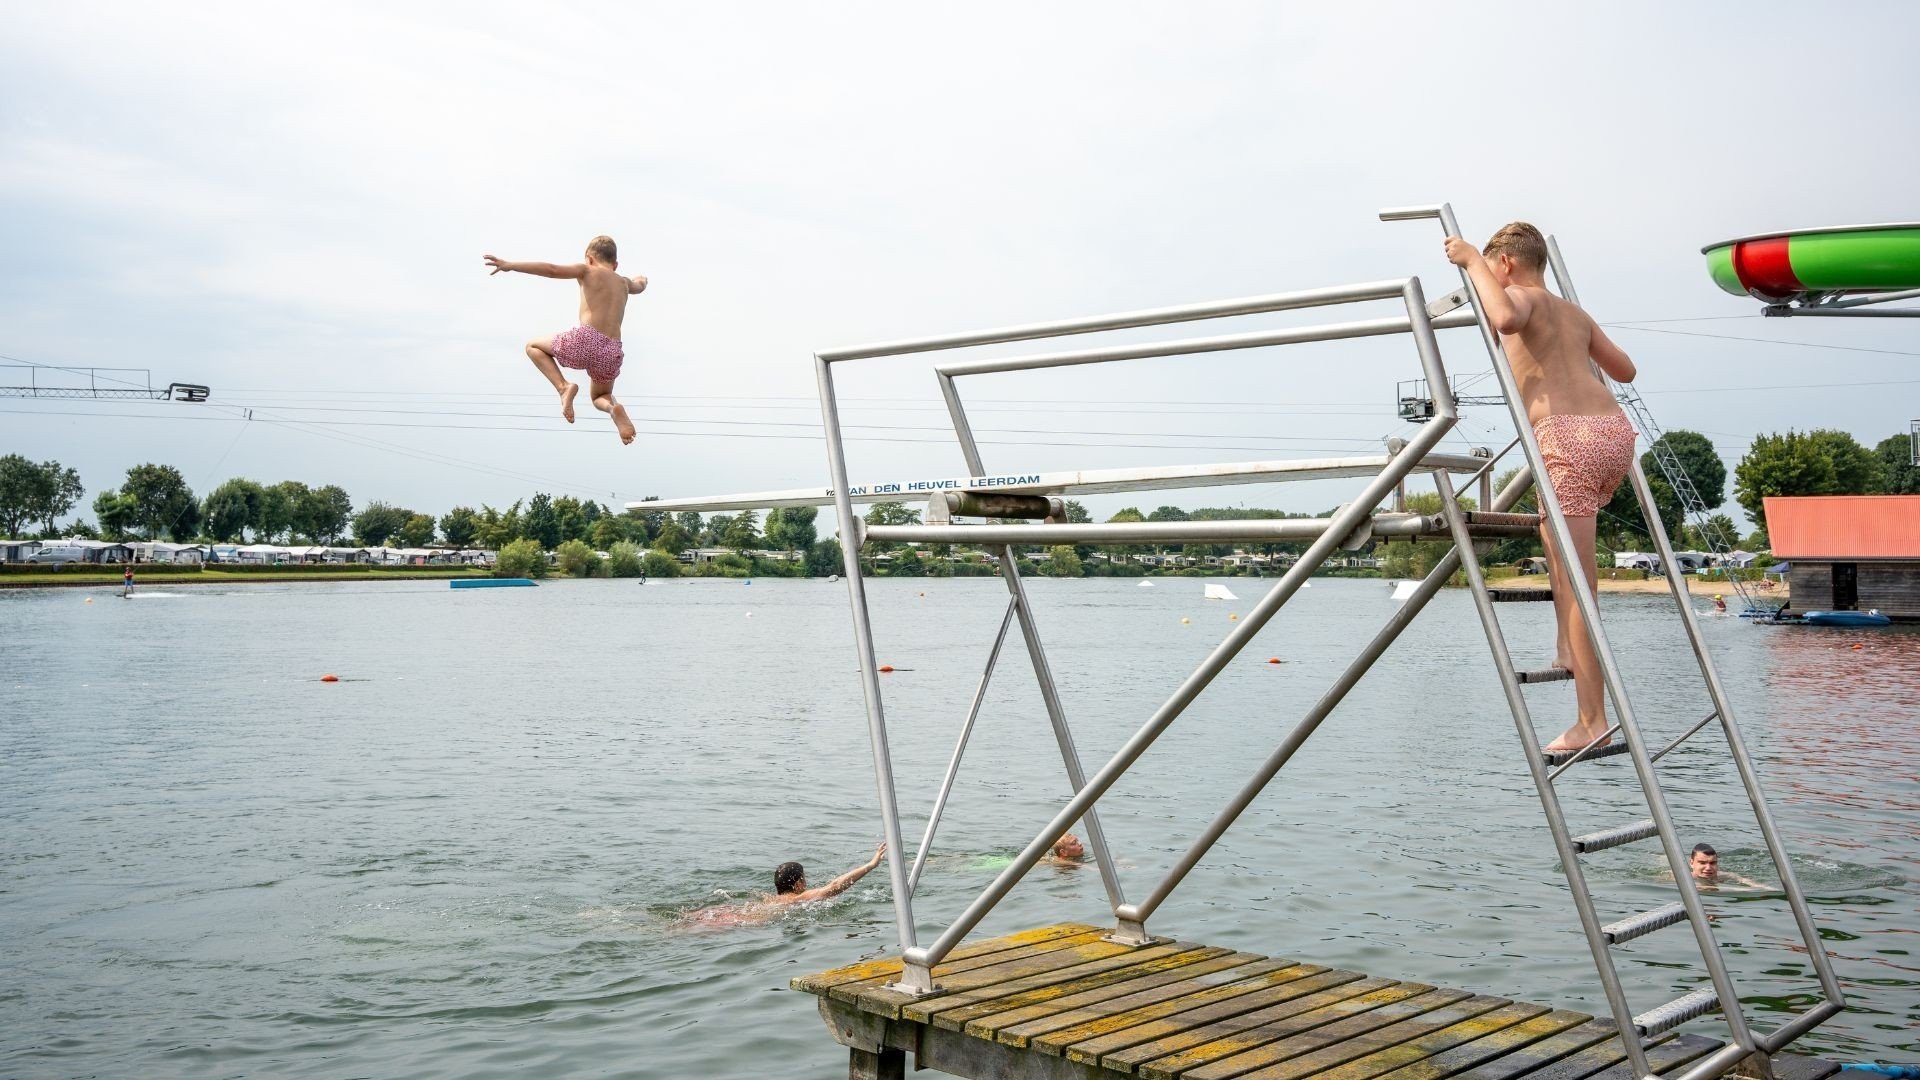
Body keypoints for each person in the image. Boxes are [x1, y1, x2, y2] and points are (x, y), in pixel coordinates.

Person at [1446, 223, 1637, 757]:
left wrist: (1467, 260)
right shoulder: (1574, 313)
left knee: (1580, 587)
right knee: (1557, 548)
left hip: (1567, 437)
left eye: (1490, 265)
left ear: (1505, 263)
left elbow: (1503, 316)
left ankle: (1592, 719)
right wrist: (1570, 355)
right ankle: (1564, 647)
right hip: (1613, 433)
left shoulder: (1515, 295)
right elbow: (1624, 369)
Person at [485, 236, 647, 445]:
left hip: (587, 340)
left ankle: (563, 387)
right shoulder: (624, 282)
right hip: (612, 350)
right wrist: (643, 280)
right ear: (615, 265)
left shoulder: (586, 270)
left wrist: (510, 265)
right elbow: (639, 285)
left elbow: (551, 269)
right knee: (601, 396)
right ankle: (613, 409)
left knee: (533, 346)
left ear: (589, 259)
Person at [769, 843, 887, 904]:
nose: (806, 882)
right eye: (804, 878)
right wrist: (871, 864)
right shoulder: (798, 899)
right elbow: (835, 886)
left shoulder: (771, 900)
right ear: (797, 885)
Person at [1687, 843, 1766, 889]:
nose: (1708, 868)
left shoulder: (1725, 876)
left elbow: (1745, 881)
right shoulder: (1681, 879)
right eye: (1702, 863)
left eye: (1712, 863)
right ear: (1691, 863)